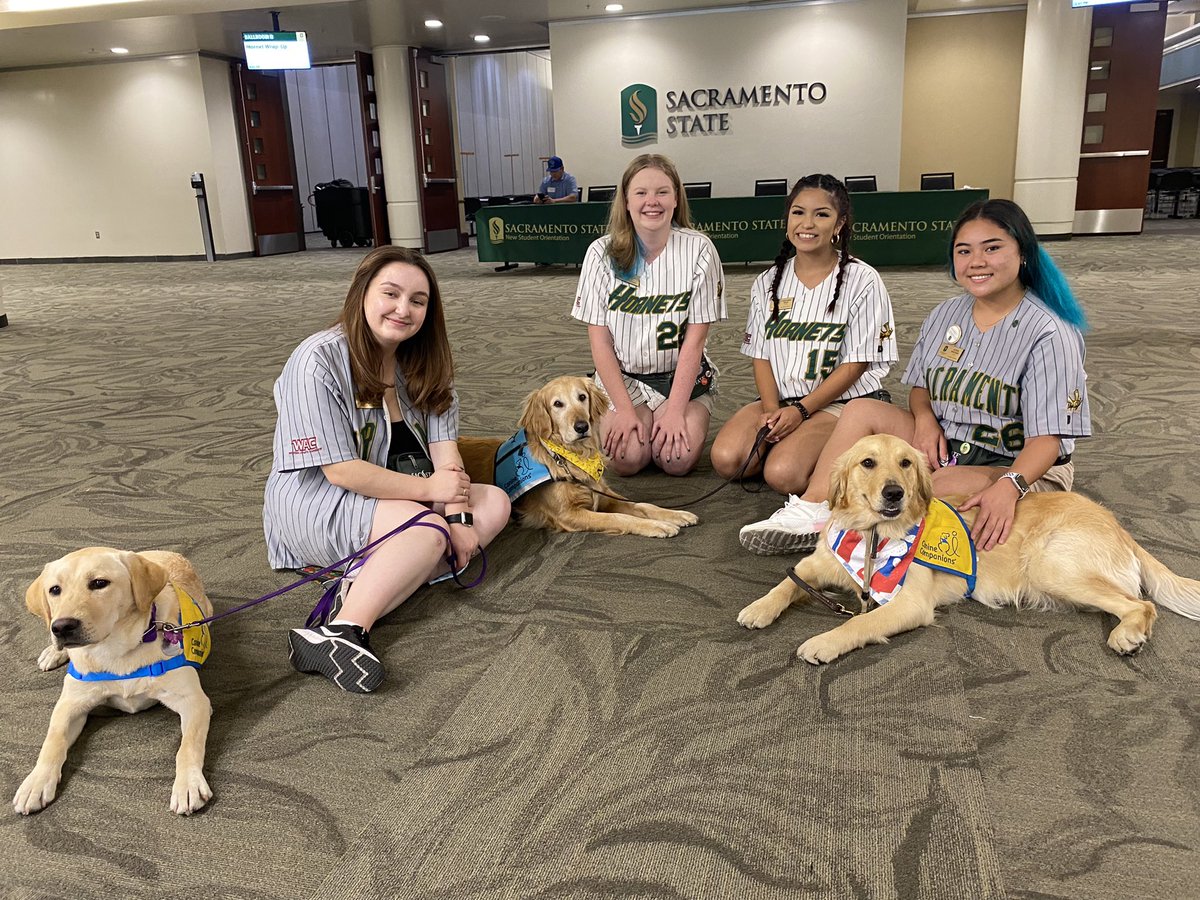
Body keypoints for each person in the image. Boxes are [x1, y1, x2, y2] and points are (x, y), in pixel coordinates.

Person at [738, 197, 1090, 555]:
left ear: (1023, 252)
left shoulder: (1050, 332)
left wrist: (1010, 485)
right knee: (860, 409)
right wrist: (924, 419)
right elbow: (921, 388)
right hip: (946, 445)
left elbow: (1048, 441)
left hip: (1018, 465)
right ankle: (815, 508)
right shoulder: (946, 313)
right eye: (964, 251)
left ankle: (852, 535)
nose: (977, 262)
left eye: (992, 248)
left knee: (927, 488)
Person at [263, 246, 511, 693]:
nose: (403, 309)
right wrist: (438, 507)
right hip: (317, 501)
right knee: (427, 527)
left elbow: (445, 455)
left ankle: (364, 578)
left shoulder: (424, 363)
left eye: (418, 301)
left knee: (492, 503)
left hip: (399, 498)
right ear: (362, 294)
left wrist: (458, 519)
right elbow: (341, 471)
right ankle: (341, 628)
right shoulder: (316, 360)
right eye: (391, 294)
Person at [711, 174, 896, 550]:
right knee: (729, 460)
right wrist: (769, 409)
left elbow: (856, 365)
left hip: (838, 404)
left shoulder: (863, 279)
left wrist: (801, 412)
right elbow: (760, 353)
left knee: (783, 473)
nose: (807, 224)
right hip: (782, 399)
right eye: (798, 212)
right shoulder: (767, 282)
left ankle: (821, 456)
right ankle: (794, 439)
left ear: (840, 224)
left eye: (821, 215)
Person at [571, 153, 727, 476]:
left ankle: (669, 415)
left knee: (677, 460)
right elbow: (599, 344)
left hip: (679, 376)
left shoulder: (700, 250)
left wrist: (675, 411)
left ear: (676, 199)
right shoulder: (600, 253)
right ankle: (640, 415)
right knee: (625, 460)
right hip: (625, 375)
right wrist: (626, 410)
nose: (651, 202)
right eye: (641, 193)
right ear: (626, 201)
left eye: (662, 192)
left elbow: (695, 344)